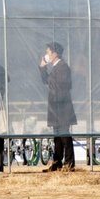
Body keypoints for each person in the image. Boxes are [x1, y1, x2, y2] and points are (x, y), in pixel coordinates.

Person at [40, 41, 76, 172]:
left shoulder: (63, 67)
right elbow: (47, 82)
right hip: (56, 107)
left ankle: (69, 164)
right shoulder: (56, 67)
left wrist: (45, 69)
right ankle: (57, 162)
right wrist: (43, 68)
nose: (46, 55)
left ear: (55, 53)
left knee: (65, 136)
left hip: (62, 107)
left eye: (48, 52)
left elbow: (57, 85)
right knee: (57, 137)